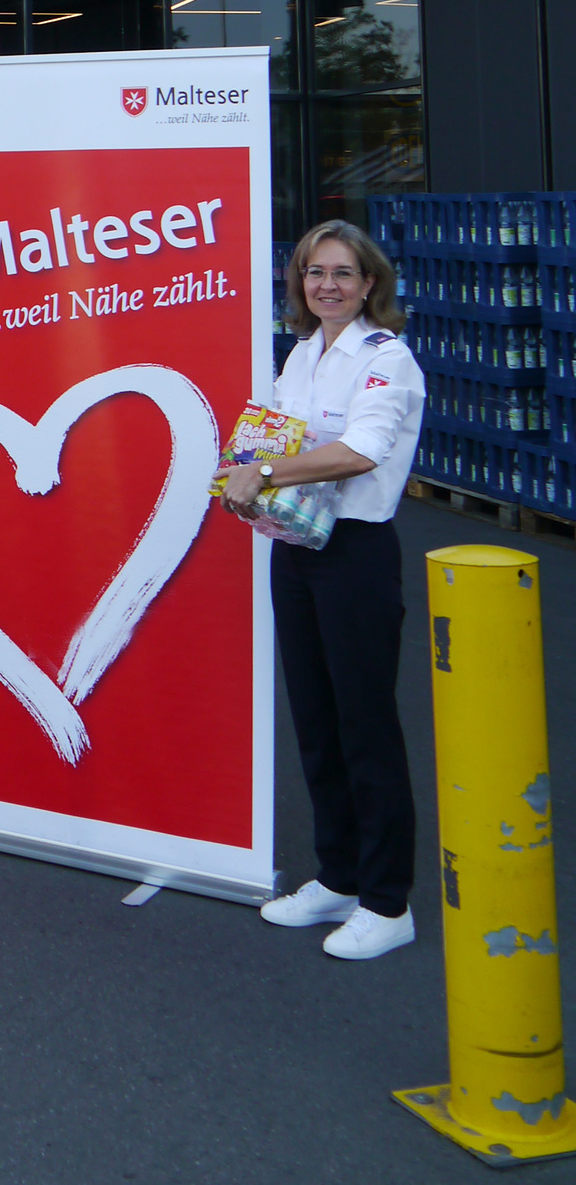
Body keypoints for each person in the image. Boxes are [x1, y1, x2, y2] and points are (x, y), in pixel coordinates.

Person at [220, 220, 425, 960]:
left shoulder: (384, 359)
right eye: (313, 273)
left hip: (357, 556)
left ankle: (385, 899)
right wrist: (246, 480)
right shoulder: (304, 353)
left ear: (369, 283)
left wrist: (264, 474)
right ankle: (337, 875)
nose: (326, 285)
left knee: (365, 725)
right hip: (297, 548)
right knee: (314, 717)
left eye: (341, 273)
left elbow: (362, 449)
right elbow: (274, 440)